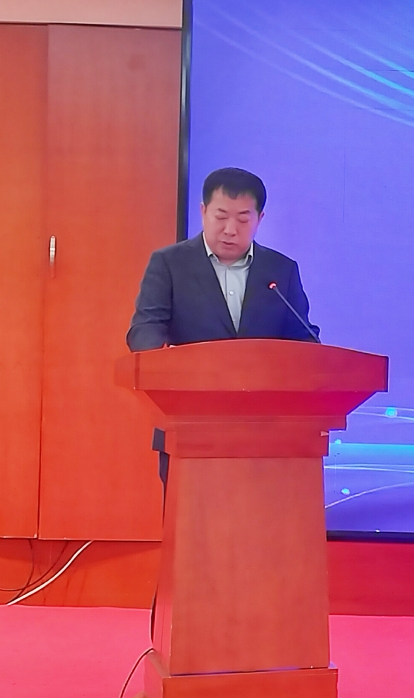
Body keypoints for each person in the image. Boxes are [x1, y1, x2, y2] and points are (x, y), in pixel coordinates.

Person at [127, 167, 321, 485]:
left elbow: (301, 336)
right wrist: (165, 359)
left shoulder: (281, 270)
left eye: (243, 219)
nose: (230, 230)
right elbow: (143, 329)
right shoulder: (169, 264)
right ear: (203, 211)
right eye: (221, 217)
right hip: (189, 424)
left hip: (268, 431)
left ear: (260, 218)